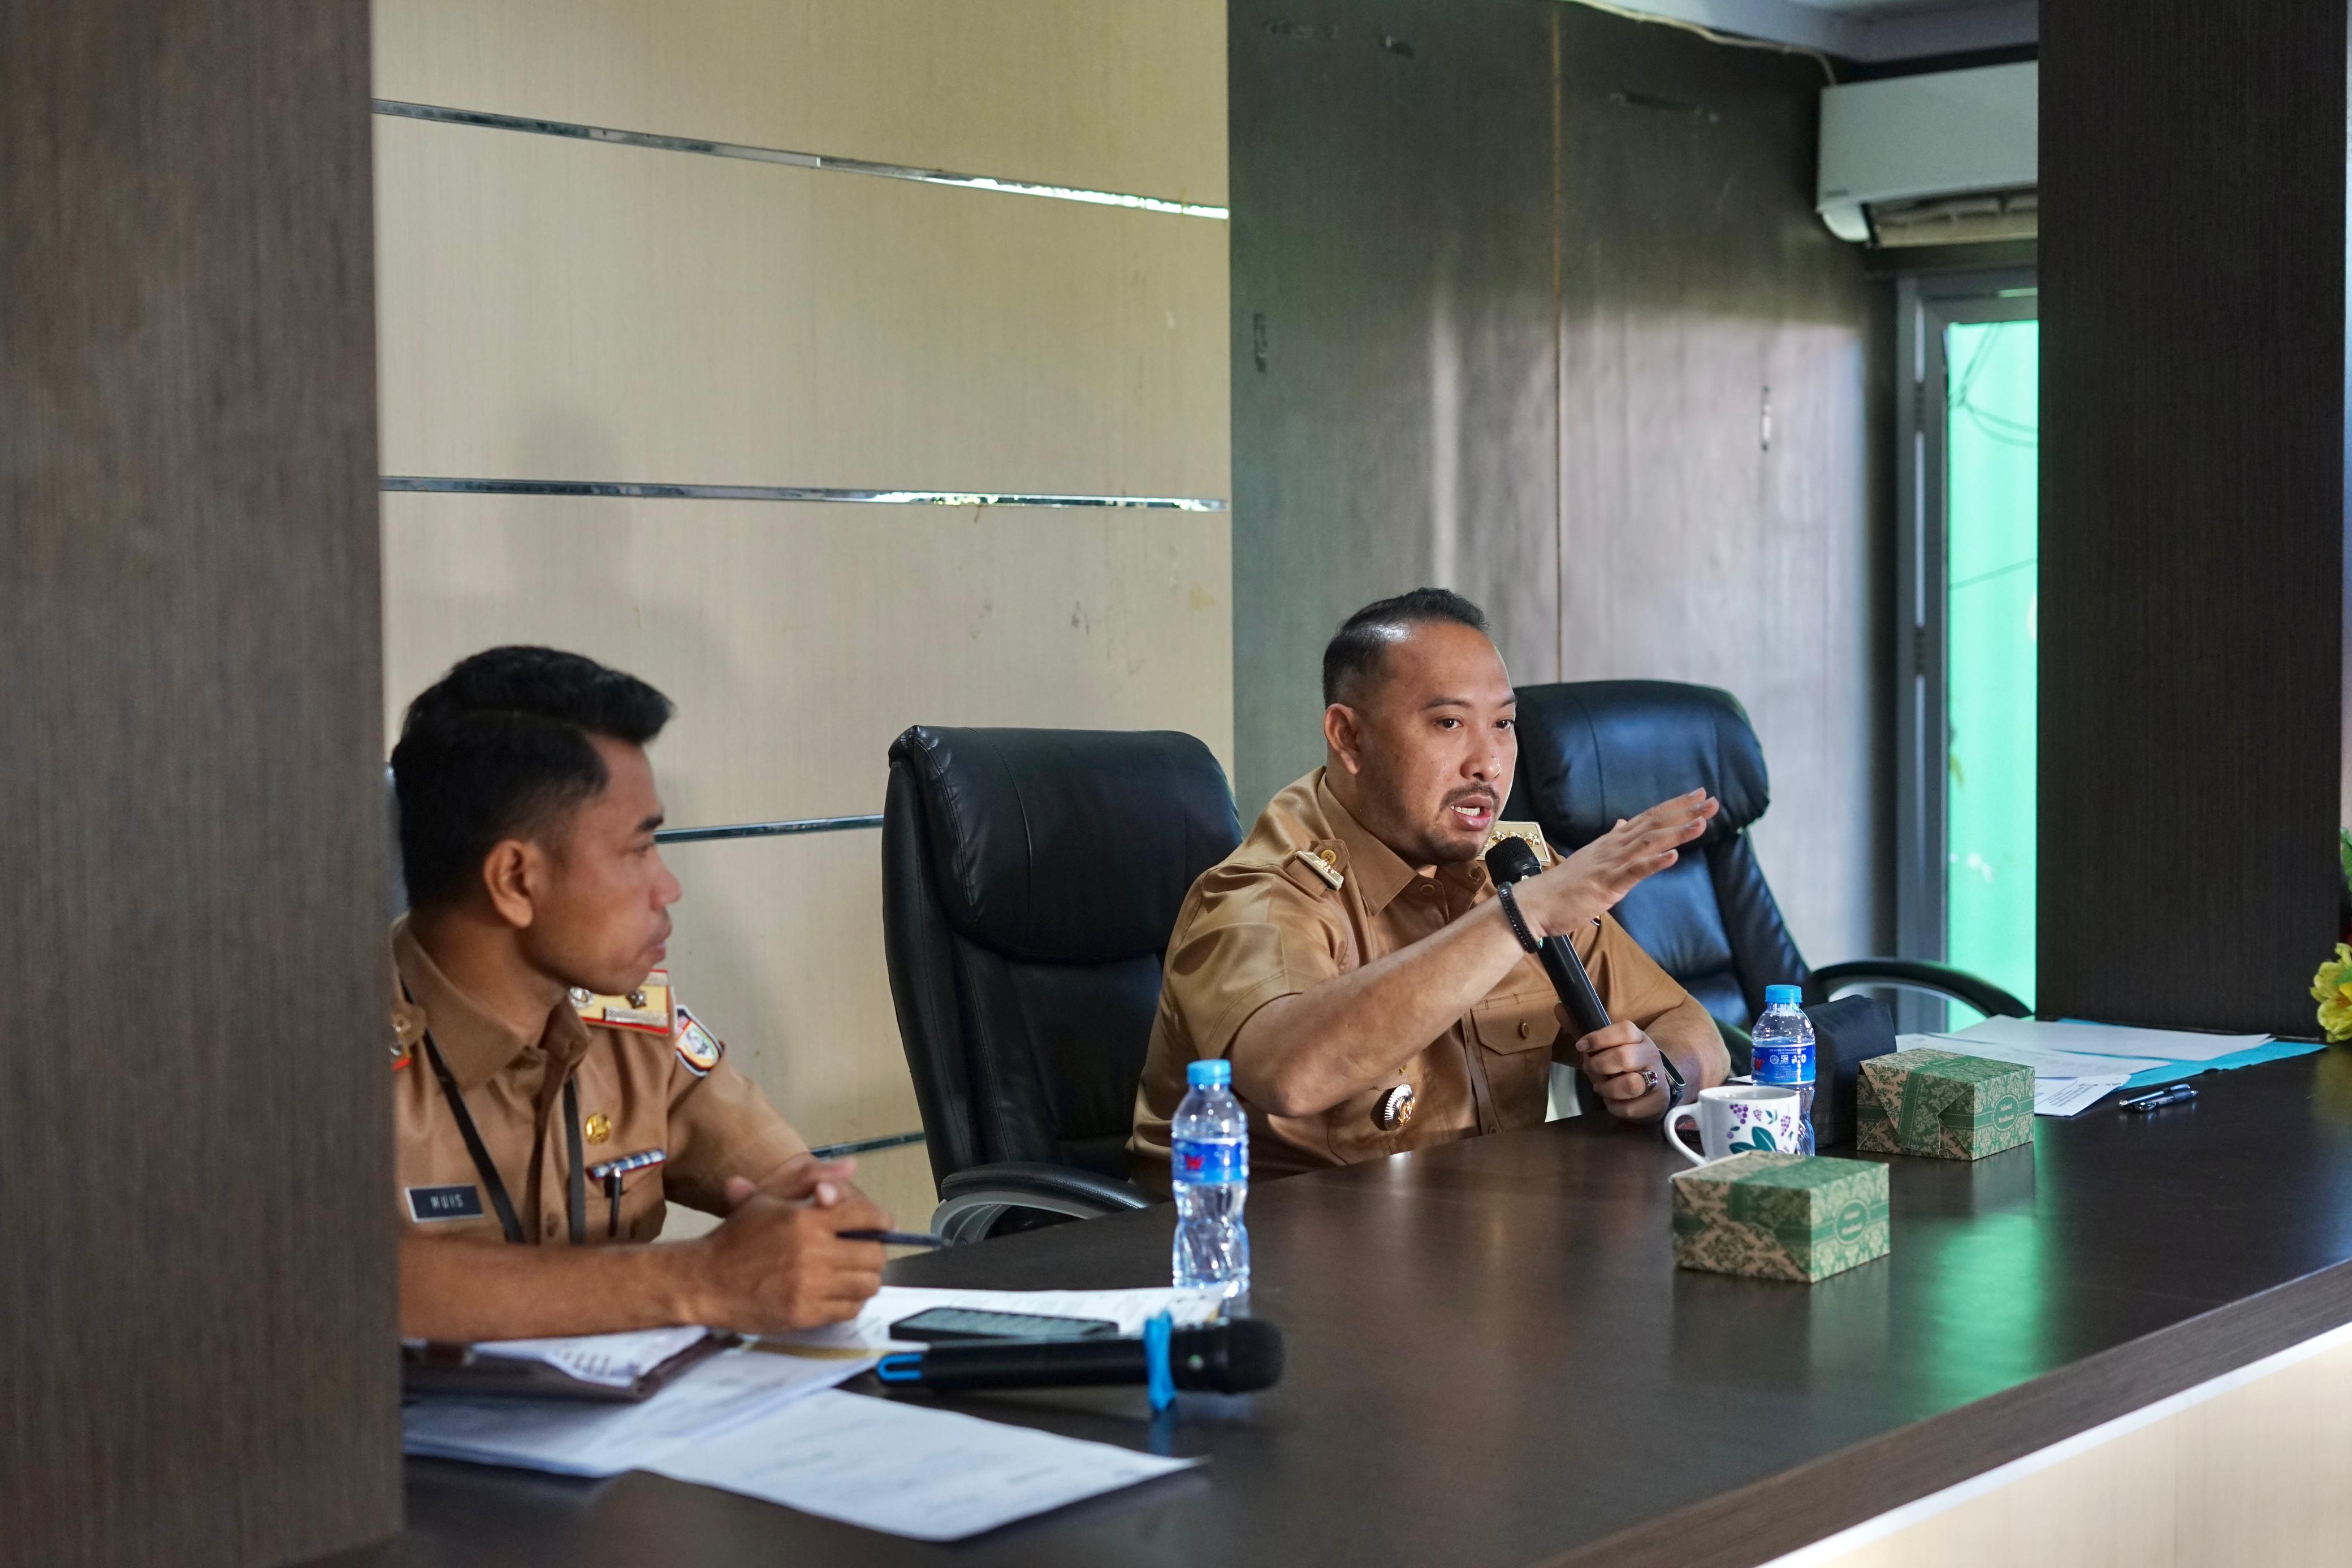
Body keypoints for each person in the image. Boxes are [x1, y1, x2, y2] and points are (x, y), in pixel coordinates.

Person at [1131, 590, 1730, 1183]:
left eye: (1502, 724)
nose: (1488, 764)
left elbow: (1691, 1028)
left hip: (1484, 1239)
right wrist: (1517, 919)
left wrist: (1657, 1074)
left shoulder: (1513, 869)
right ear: (1348, 737)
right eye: (1448, 723)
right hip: (1282, 1259)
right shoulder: (1259, 894)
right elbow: (1291, 1075)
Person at [388, 646, 889, 1341]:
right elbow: (343, 1280)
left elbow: (792, 1180)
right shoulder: (314, 1040)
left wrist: (820, 1224)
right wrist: (699, 1280)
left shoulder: (627, 1026)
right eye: (638, 849)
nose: (668, 887)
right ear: (516, 880)